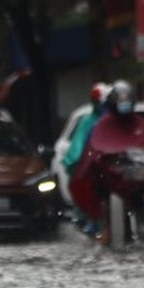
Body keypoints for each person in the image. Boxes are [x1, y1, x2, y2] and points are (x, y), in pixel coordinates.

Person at [68, 80, 144, 243]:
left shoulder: (141, 124)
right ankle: (105, 226)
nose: (124, 106)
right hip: (110, 177)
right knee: (102, 193)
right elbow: (93, 147)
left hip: (137, 174)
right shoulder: (101, 125)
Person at [62, 81, 111, 235]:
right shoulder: (87, 121)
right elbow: (78, 147)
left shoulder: (118, 119)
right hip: (93, 165)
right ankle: (90, 218)